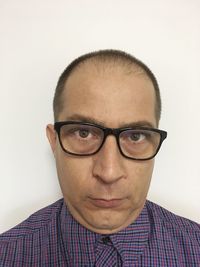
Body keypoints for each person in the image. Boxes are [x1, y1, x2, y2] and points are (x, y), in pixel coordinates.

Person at [0, 49, 199, 267]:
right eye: (83, 133)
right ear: (54, 141)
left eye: (135, 136)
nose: (109, 172)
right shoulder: (7, 254)